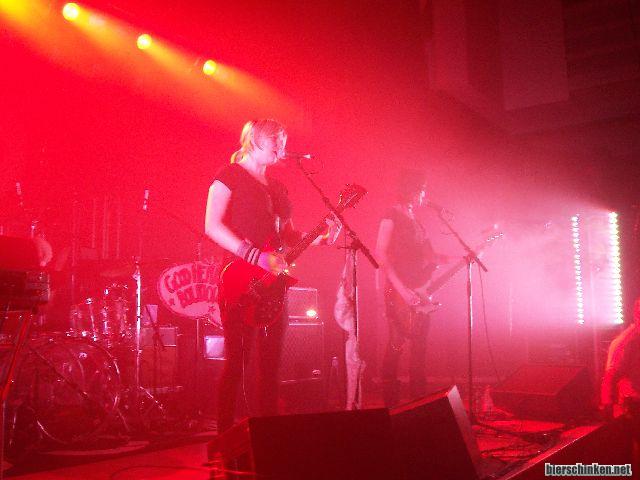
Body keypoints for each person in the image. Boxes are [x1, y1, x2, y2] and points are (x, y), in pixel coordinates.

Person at [205, 119, 339, 433]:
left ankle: (269, 436)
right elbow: (211, 225)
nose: (281, 148)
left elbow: (288, 236)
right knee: (237, 363)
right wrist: (256, 256)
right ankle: (224, 437)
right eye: (275, 142)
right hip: (241, 279)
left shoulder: (278, 188)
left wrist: (320, 238)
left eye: (283, 141)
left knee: (271, 367)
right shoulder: (229, 176)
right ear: (254, 141)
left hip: (273, 284)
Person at [375, 169, 450, 407]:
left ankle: (419, 402)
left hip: (419, 290)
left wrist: (465, 255)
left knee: (420, 347)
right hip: (399, 290)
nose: (424, 195)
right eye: (422, 190)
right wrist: (403, 290)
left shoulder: (417, 221)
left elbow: (430, 256)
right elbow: (380, 254)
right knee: (396, 344)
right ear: (411, 190)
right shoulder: (391, 215)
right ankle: (391, 405)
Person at [600, 296, 640, 469]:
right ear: (637, 314)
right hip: (634, 407)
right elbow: (610, 376)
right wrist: (607, 406)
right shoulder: (625, 341)